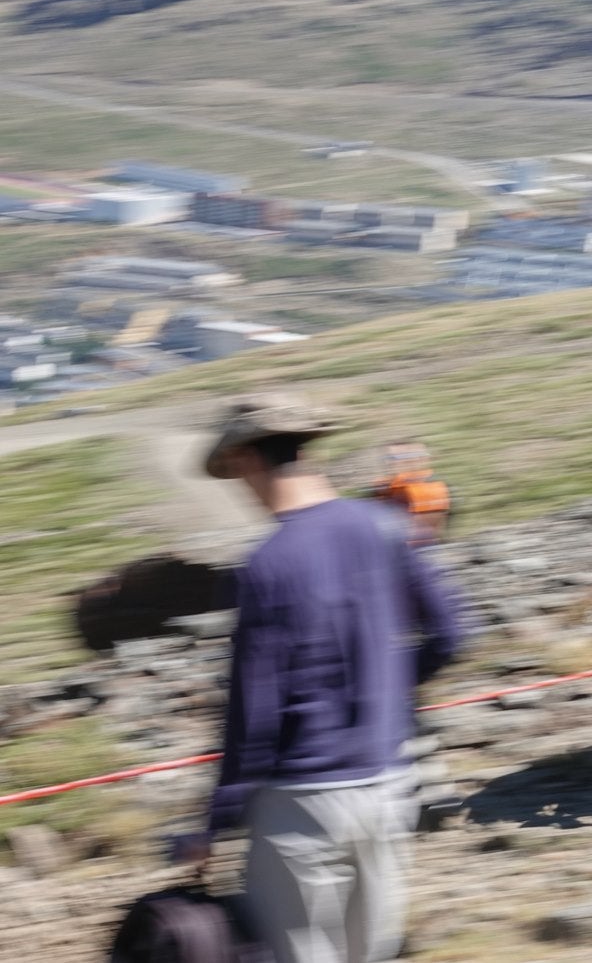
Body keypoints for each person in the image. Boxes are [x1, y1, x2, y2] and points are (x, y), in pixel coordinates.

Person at [182, 392, 463, 963]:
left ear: (245, 462)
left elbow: (252, 715)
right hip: (386, 789)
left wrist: (213, 823)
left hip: (299, 807)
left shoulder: (265, 565)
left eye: (235, 474)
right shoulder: (385, 525)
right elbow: (453, 634)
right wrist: (387, 691)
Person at [372, 440, 452, 548]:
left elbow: (424, 531)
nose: (389, 464)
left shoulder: (430, 489)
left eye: (394, 458)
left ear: (419, 459)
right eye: (388, 458)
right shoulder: (386, 486)